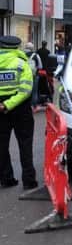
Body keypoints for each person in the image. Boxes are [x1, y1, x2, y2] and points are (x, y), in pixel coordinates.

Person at [0, 36, 38, 190]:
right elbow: (26, 90)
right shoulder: (22, 64)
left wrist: (2, 105)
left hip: (0, 109)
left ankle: (6, 178)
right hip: (20, 109)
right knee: (25, 144)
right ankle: (29, 181)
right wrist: (9, 104)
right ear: (17, 47)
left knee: (1, 146)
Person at [23, 42, 42, 112]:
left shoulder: (22, 55)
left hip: (23, 76)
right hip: (34, 75)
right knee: (34, 91)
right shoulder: (36, 55)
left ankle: (26, 106)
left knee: (24, 91)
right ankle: (34, 106)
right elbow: (40, 66)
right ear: (32, 48)